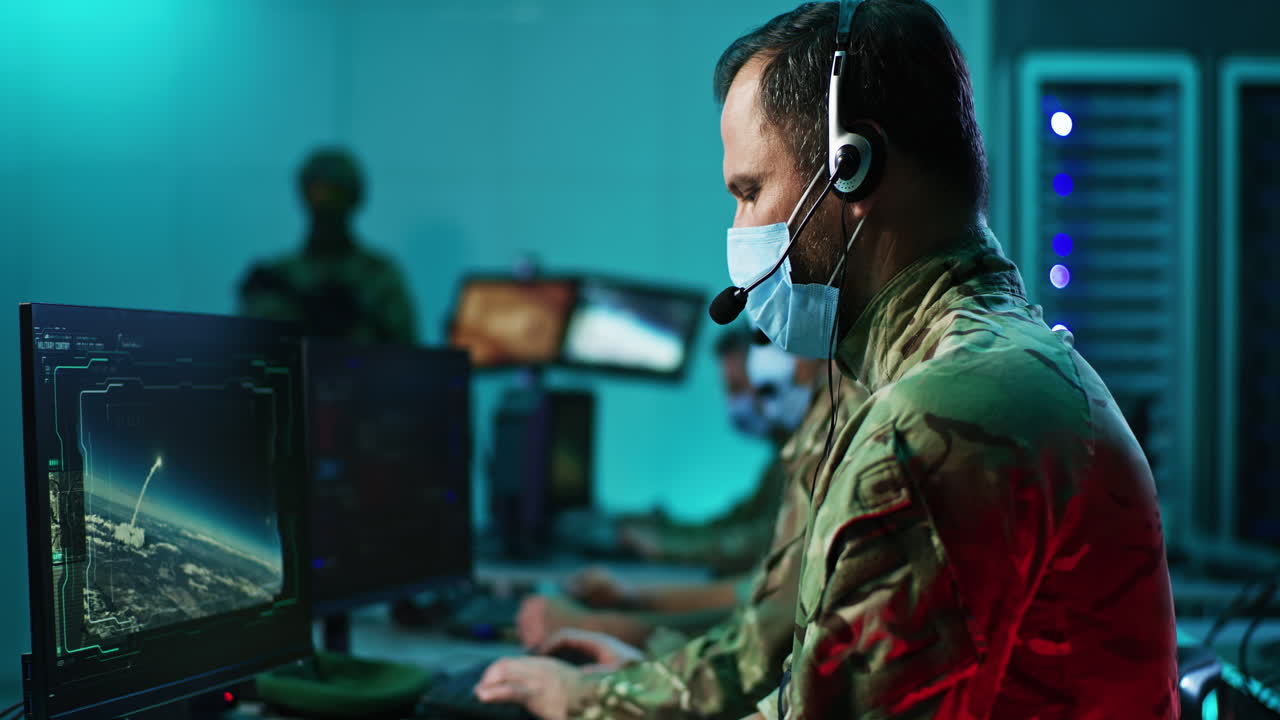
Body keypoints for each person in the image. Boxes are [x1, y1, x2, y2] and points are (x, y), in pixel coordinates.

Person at [703, 2, 1173, 718]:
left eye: (749, 191)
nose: (739, 234)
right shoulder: (991, 361)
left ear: (849, 169)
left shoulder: (936, 420)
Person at [476, 352, 867, 720]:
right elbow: (754, 580)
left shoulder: (847, 425)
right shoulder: (800, 448)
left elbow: (762, 611)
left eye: (741, 386)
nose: (745, 399)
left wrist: (603, 674)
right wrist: (638, 654)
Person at [516, 331, 826, 653]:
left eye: (738, 388)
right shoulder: (786, 457)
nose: (736, 403)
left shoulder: (822, 448)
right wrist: (632, 590)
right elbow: (735, 531)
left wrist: (606, 624)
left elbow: (764, 581)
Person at [237, 146, 418, 343]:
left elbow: (405, 353)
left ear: (355, 198)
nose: (325, 201)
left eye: (336, 191)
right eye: (317, 191)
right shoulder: (277, 277)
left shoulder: (380, 276)